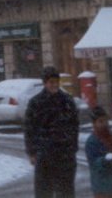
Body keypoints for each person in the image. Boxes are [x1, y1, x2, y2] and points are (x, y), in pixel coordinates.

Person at [24, 65, 81, 198]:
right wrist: (32, 152)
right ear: (45, 83)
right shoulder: (36, 103)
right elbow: (29, 129)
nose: (54, 85)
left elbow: (74, 126)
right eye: (51, 82)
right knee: (44, 192)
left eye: (56, 82)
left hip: (65, 155)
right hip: (44, 155)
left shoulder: (67, 101)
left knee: (66, 191)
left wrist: (72, 148)